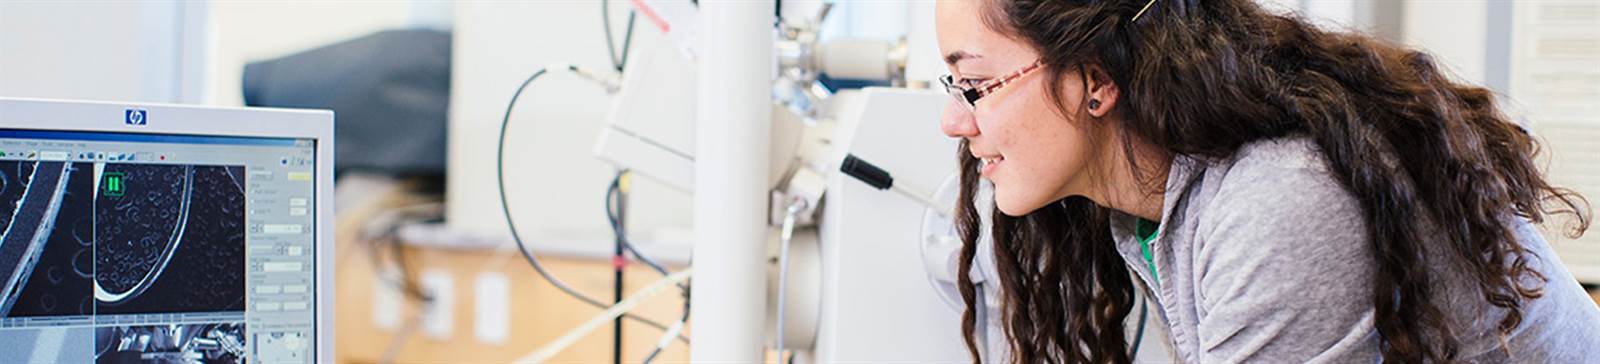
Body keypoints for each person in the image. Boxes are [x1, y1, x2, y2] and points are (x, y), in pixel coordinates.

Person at [934, 0, 1600, 362]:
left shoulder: (1280, 199)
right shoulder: (1145, 212)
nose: (951, 121)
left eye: (974, 84)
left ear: (1097, 80)